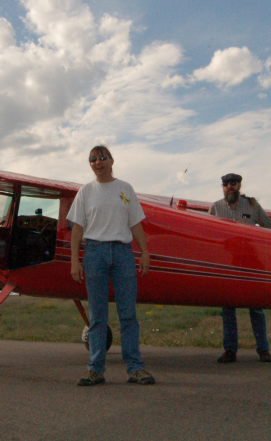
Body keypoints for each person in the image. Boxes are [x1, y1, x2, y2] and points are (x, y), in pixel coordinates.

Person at [68, 145, 155, 386]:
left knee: (128, 314)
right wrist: (75, 260)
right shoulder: (85, 192)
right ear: (90, 164)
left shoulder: (124, 189)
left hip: (122, 253)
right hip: (95, 253)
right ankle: (95, 369)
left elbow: (135, 223)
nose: (98, 162)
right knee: (97, 315)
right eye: (93, 159)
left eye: (102, 158)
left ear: (112, 161)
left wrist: (144, 252)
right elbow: (77, 229)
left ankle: (135, 368)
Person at [208, 172, 271, 364]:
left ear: (239, 185)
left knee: (256, 309)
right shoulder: (216, 207)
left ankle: (263, 350)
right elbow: (209, 233)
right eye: (226, 184)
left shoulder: (252, 205)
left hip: (250, 263)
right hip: (227, 264)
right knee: (228, 309)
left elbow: (270, 228)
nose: (230, 186)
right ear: (223, 187)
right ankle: (230, 351)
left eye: (233, 183)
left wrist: (257, 243)